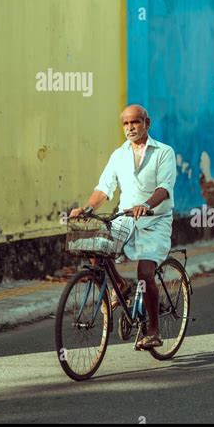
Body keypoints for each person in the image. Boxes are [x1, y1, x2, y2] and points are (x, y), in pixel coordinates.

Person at [70, 104, 177, 349]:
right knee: (96, 253)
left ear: (146, 124)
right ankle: (119, 284)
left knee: (145, 273)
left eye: (135, 122)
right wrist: (88, 208)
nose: (130, 128)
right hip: (125, 218)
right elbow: (104, 188)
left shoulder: (164, 152)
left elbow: (164, 187)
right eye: (126, 124)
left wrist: (146, 205)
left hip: (155, 220)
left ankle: (153, 330)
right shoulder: (118, 155)